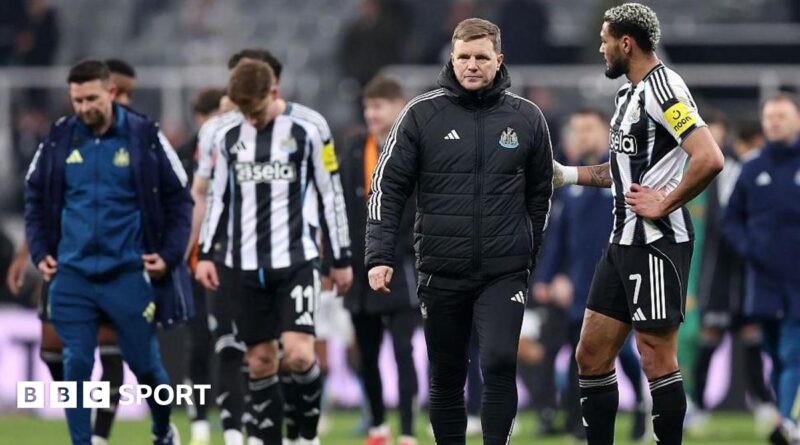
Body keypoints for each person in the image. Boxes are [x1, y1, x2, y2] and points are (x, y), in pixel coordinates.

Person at [366, 18, 554, 444]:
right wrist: (379, 256)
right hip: (441, 270)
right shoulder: (420, 114)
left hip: (504, 271)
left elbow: (540, 196)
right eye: (464, 57)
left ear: (499, 60)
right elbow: (386, 187)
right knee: (447, 373)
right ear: (452, 59)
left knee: (501, 360)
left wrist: (528, 257)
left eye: (481, 57)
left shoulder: (527, 118)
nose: (472, 65)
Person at [552, 4, 724, 444]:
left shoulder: (664, 89)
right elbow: (623, 171)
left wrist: (664, 203)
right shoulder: (628, 95)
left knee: (655, 356)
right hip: (621, 240)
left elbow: (709, 157)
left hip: (657, 244)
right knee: (590, 353)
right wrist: (567, 174)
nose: (600, 47)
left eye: (605, 39)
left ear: (626, 43)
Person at [24, 59, 192, 445]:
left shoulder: (145, 135)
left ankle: (162, 429)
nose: (84, 108)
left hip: (128, 273)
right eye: (77, 100)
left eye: (91, 99)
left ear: (111, 93)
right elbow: (33, 195)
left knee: (146, 367)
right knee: (76, 363)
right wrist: (39, 250)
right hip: (74, 274)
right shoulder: (58, 138)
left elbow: (179, 198)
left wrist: (169, 254)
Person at [190, 48, 348, 445]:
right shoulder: (225, 135)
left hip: (296, 258)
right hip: (242, 265)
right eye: (244, 111)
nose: (251, 119)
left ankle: (306, 434)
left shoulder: (309, 129)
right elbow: (217, 198)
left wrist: (341, 258)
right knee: (259, 361)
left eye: (256, 109)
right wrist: (206, 253)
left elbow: (331, 195)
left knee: (297, 354)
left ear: (273, 90)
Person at [8, 57, 143, 445]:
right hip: (66, 262)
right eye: (120, 92)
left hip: (119, 265)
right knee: (52, 349)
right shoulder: (61, 139)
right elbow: (40, 199)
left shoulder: (139, 142)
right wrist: (26, 253)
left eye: (129, 94)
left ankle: (96, 437)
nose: (125, 100)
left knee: (112, 355)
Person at [535, 109, 648, 441]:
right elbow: (558, 239)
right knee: (582, 354)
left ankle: (641, 404)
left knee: (621, 350)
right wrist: (548, 277)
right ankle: (581, 422)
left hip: (617, 278)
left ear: (606, 133)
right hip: (578, 282)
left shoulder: (620, 174)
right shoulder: (570, 184)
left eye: (589, 129)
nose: (582, 135)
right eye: (577, 129)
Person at [340, 75, 419, 445]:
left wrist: (400, 252)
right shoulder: (356, 149)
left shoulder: (416, 150)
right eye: (368, 106)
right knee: (365, 353)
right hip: (359, 265)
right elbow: (340, 204)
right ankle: (377, 427)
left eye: (379, 106)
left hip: (402, 266)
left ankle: (406, 430)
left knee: (403, 350)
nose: (371, 113)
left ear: (399, 107)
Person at [688, 115, 779, 436]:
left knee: (753, 344)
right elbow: (721, 225)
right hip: (720, 276)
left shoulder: (746, 172)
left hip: (747, 274)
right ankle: (696, 406)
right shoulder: (718, 173)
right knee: (709, 343)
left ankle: (766, 405)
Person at [723, 93, 800, 445]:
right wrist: (747, 248)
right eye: (769, 117)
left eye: (781, 116)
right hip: (762, 278)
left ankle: (784, 421)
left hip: (797, 277)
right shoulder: (752, 168)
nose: (774, 122)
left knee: (790, 350)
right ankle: (787, 415)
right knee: (771, 351)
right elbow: (730, 220)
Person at [176, 87, 225, 445]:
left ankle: (236, 417)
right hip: (192, 263)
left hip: (229, 261)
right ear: (200, 118)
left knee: (232, 343)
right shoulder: (181, 156)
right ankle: (198, 422)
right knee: (197, 344)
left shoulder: (236, 148)